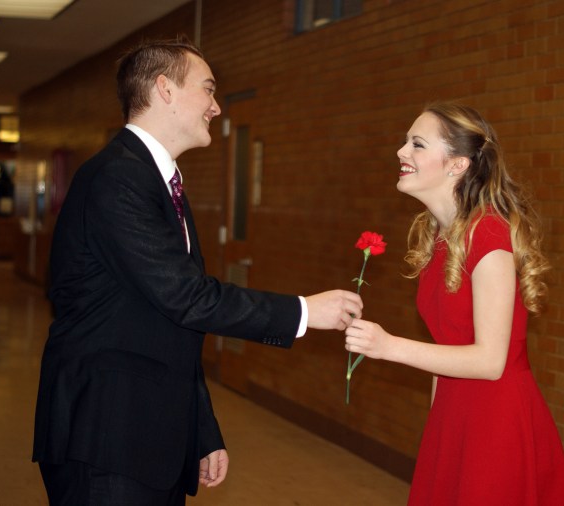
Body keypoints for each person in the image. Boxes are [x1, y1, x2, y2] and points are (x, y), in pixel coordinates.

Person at [32, 38, 363, 505]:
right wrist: (304, 312)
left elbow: (171, 324)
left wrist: (201, 428)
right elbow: (187, 297)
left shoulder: (157, 180)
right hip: (107, 432)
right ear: (164, 89)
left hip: (150, 434)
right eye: (207, 90)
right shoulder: (118, 178)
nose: (215, 107)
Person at [344, 102, 564, 505]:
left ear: (457, 164)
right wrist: (439, 428)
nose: (401, 151)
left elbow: (490, 361)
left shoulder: (489, 236)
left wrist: (387, 346)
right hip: (455, 414)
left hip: (496, 421)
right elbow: (445, 346)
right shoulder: (439, 236)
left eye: (416, 144)